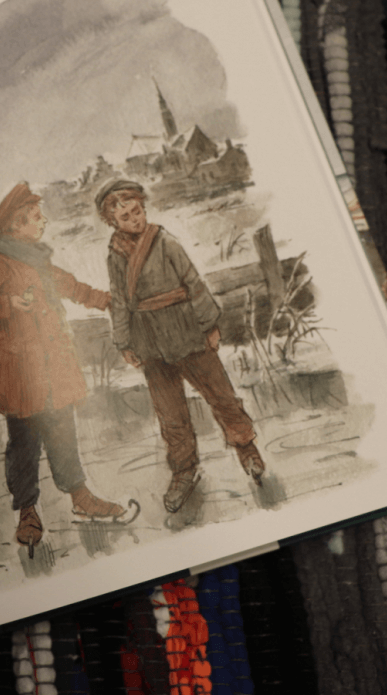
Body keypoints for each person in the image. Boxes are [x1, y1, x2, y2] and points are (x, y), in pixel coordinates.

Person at [0, 182, 131, 557]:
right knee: (23, 445)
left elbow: (70, 287)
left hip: (55, 369)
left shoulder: (37, 258)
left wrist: (107, 301)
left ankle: (81, 497)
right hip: (21, 375)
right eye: (37, 217)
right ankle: (27, 513)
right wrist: (8, 304)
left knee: (63, 434)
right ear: (16, 225)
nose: (44, 221)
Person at [96, 179, 265, 514]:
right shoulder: (114, 256)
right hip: (149, 342)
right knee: (170, 414)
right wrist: (124, 341)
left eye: (137, 211)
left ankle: (247, 449)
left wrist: (209, 325)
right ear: (112, 221)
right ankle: (184, 471)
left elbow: (193, 281)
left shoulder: (165, 241)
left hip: (187, 332)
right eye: (126, 216)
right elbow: (119, 300)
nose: (135, 219)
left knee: (221, 396)